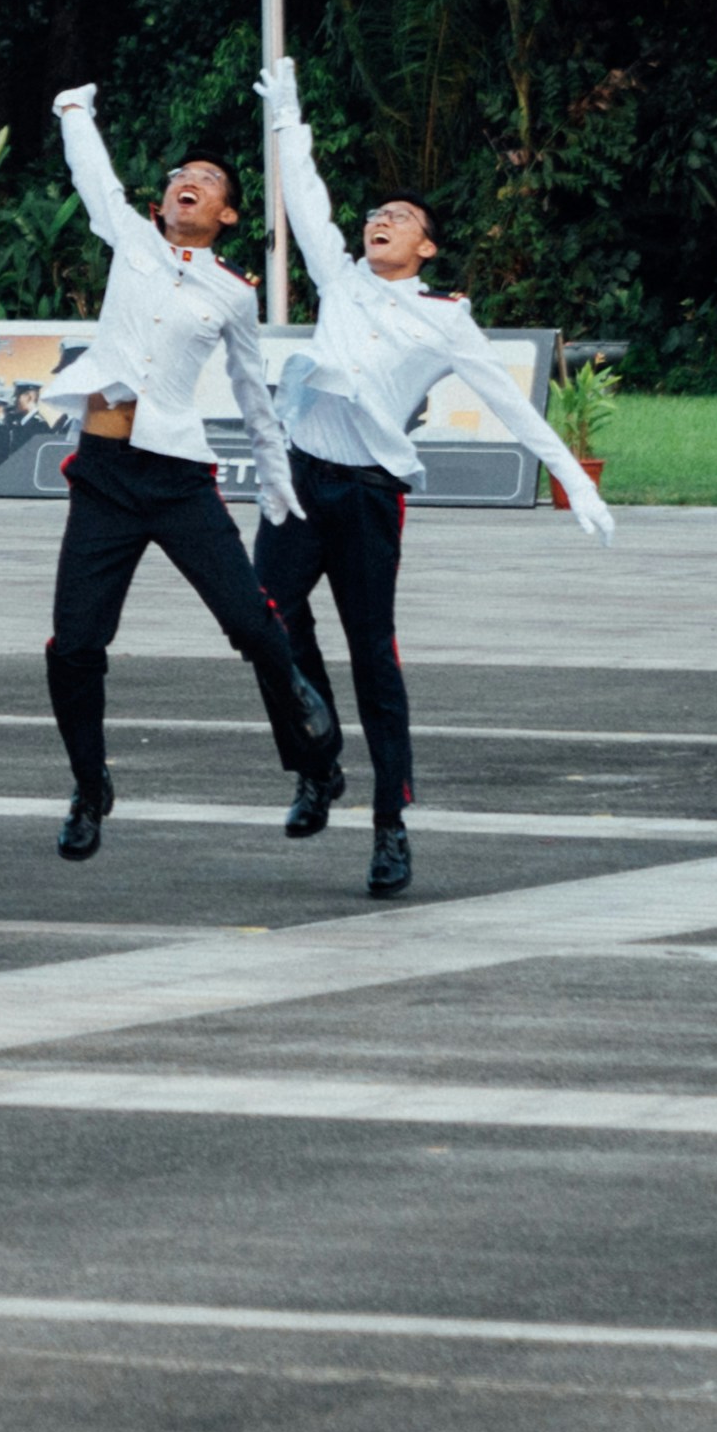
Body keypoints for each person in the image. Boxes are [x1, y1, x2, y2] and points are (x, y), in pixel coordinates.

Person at [256, 57, 610, 900]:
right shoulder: (338, 280)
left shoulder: (447, 319)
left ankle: (390, 826)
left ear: (427, 245)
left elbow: (509, 406)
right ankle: (315, 761)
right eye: (377, 212)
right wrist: (288, 116)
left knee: (374, 658)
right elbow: (304, 195)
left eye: (401, 216)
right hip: (302, 480)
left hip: (371, 494)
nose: (382, 219)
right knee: (263, 621)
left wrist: (575, 480)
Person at [39, 84, 353, 859]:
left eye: (210, 181)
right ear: (164, 201)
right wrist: (74, 113)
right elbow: (94, 179)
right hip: (106, 477)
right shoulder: (131, 240)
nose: (192, 181)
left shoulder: (235, 294)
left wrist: (276, 477)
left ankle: (317, 766)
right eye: (184, 174)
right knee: (75, 645)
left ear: (229, 215)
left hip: (179, 477)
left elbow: (254, 394)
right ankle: (89, 786)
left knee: (254, 625)